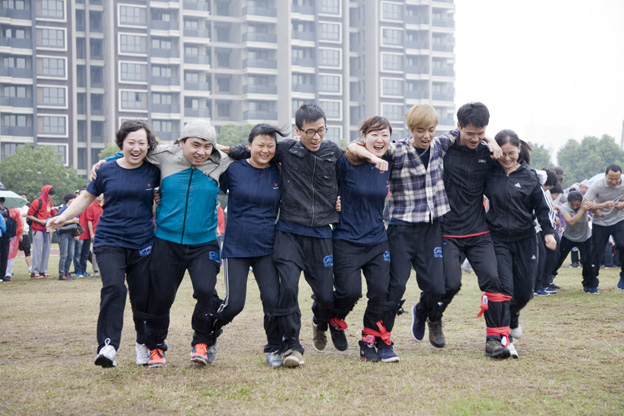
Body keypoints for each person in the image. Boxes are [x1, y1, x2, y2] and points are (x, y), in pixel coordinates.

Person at [348, 104, 499, 354]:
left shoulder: (440, 144)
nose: (426, 135)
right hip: (401, 228)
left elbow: (469, 132)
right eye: (420, 130)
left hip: (431, 229)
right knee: (396, 287)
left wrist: (491, 141)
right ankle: (383, 339)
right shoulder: (397, 150)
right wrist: (374, 158)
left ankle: (423, 312)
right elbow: (354, 147)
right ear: (411, 129)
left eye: (430, 129)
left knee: (438, 288)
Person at [220, 104, 345, 365]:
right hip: (289, 231)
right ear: (298, 131)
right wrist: (220, 147)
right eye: (309, 131)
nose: (316, 137)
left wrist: (341, 199)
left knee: (326, 295)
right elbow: (256, 150)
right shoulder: (286, 150)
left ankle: (320, 320)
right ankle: (292, 345)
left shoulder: (333, 152)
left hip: (322, 233)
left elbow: (348, 178)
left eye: (321, 130)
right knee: (286, 289)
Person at [49, 119, 160, 368]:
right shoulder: (106, 170)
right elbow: (86, 197)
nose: (136, 148)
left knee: (142, 296)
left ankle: (143, 344)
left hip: (143, 241)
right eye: (131, 142)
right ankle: (108, 346)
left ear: (148, 145)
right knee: (113, 288)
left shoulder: (154, 170)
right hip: (110, 240)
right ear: (122, 143)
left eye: (141, 143)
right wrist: (64, 217)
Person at [217, 124, 298, 367]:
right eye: (260, 145)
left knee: (272, 300)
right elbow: (208, 171)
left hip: (267, 247)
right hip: (236, 247)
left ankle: (273, 348)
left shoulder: (279, 172)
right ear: (249, 145)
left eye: (270, 146)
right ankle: (207, 330)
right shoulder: (233, 169)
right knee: (234, 304)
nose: (265, 150)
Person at [435, 102, 510, 359]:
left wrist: (492, 143)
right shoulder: (444, 150)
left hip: (478, 231)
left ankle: (494, 340)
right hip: (447, 230)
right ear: (458, 127)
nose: (475, 138)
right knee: (450, 284)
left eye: (481, 133)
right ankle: (432, 315)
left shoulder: (488, 154)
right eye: (470, 133)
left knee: (493, 280)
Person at [484, 129, 556, 358]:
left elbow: (542, 208)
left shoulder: (530, 176)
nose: (506, 158)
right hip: (498, 239)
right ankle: (504, 338)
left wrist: (548, 233)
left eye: (511, 153)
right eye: (502, 153)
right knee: (504, 289)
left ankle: (513, 316)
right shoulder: (490, 172)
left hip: (525, 239)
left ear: (519, 150)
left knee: (525, 292)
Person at [332, 116, 398, 362]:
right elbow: (330, 184)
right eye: (374, 134)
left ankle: (369, 340)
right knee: (349, 293)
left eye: (385, 135)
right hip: (346, 238)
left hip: (377, 239)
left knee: (380, 291)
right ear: (364, 137)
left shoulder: (390, 161)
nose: (380, 140)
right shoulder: (346, 161)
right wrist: (332, 202)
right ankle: (331, 318)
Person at [584, 164, 624, 292]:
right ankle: (591, 283)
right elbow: (585, 204)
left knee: (623, 245)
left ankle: (623, 278)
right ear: (606, 175)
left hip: (619, 219)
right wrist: (602, 205)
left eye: (617, 179)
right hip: (600, 221)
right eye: (611, 179)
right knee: (596, 252)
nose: (614, 182)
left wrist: (622, 204)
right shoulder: (597, 185)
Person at [550, 191, 597, 292]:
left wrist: (593, 207)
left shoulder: (585, 205)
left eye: (577, 204)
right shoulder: (564, 207)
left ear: (581, 202)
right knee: (558, 259)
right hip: (568, 237)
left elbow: (598, 212)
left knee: (587, 261)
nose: (575, 206)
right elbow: (570, 221)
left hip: (585, 237)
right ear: (568, 202)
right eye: (573, 204)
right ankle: (549, 279)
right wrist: (582, 210)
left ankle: (588, 284)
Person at [26, 185, 57, 278]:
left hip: (48, 229)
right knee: (38, 251)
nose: (51, 196)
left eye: (52, 195)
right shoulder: (37, 202)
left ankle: (43, 271)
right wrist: (41, 221)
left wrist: (58, 211)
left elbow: (54, 214)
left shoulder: (50, 203)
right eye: (50, 194)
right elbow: (29, 215)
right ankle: (34, 272)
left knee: (46, 251)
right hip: (38, 229)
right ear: (45, 193)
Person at [56, 193, 80, 281]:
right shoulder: (63, 210)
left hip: (71, 233)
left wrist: (77, 234)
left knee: (70, 255)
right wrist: (72, 221)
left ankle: (66, 272)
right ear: (70, 200)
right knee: (64, 255)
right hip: (63, 234)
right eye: (74, 198)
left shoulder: (74, 210)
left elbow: (76, 222)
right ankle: (61, 274)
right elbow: (59, 222)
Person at [4, 206, 24, 281]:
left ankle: (7, 273)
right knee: (9, 255)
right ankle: (6, 273)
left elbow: (20, 222)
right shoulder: (15, 211)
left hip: (12, 235)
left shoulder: (15, 211)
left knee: (10, 254)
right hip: (11, 235)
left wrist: (20, 233)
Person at [18, 192, 32, 272]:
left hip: (25, 232)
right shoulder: (14, 208)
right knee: (11, 253)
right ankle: (8, 270)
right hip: (15, 234)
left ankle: (30, 268)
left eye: (25, 197)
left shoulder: (27, 208)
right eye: (22, 197)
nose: (23, 199)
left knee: (27, 251)